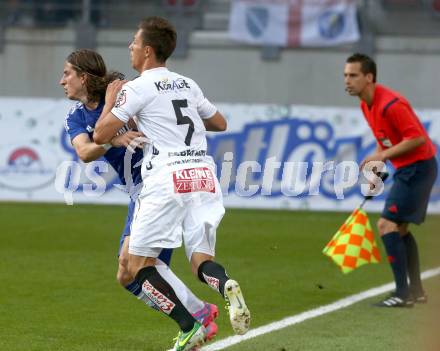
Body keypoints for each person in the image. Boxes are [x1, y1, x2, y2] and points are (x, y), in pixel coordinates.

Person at [93, 17, 251, 350]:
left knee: (135, 266)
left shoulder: (137, 87)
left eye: (134, 43)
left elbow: (101, 134)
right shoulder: (187, 84)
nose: (131, 48)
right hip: (203, 176)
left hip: (166, 178)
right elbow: (219, 122)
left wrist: (111, 103)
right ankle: (225, 287)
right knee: (201, 260)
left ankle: (188, 326)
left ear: (148, 51)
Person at [60, 48, 219, 344]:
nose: (61, 80)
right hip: (140, 192)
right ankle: (200, 311)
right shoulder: (77, 116)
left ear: (83, 76)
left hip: (159, 184)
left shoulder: (124, 96)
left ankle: (194, 320)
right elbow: (84, 152)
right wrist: (112, 140)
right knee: (127, 274)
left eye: (67, 73)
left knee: (132, 264)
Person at [344, 53, 438, 307]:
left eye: (353, 75)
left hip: (418, 168)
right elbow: (384, 137)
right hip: (410, 169)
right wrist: (380, 158)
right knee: (400, 229)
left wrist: (383, 154)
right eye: (345, 75)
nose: (347, 81)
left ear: (369, 77)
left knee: (386, 225)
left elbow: (418, 138)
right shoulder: (366, 104)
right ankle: (415, 291)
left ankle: (402, 293)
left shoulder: (391, 104)